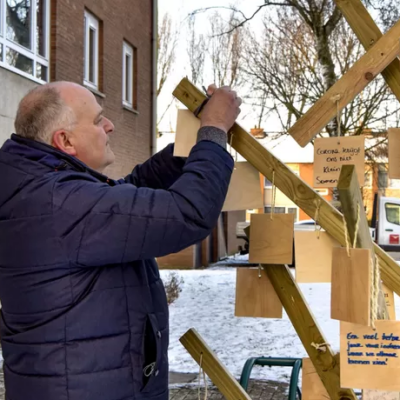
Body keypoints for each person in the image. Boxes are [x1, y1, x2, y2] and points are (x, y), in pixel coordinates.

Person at [0, 81, 242, 400]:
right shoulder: (62, 204)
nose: (110, 126)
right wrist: (213, 132)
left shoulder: (42, 192)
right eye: (99, 120)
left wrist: (189, 146)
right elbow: (187, 213)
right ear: (66, 140)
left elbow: (127, 198)